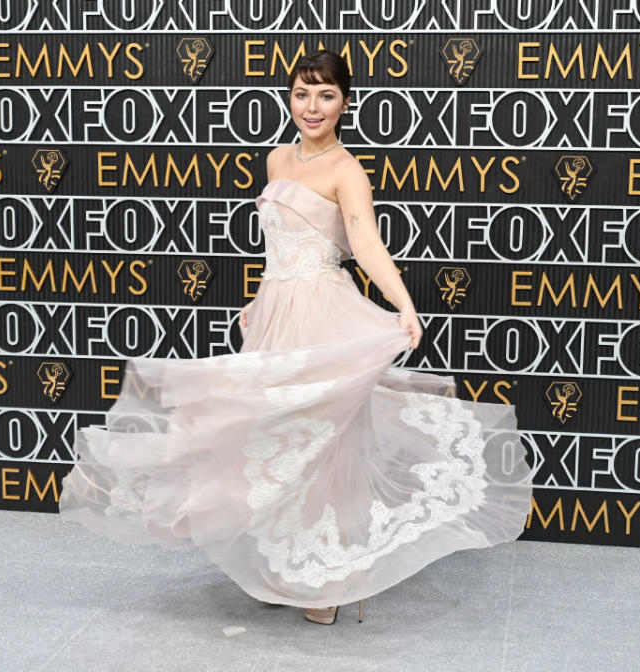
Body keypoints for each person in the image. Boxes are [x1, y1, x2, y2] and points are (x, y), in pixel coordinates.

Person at [59, 49, 533, 626]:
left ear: (345, 102)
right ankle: (281, 564)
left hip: (321, 310)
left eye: (326, 95)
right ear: (289, 96)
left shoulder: (346, 171)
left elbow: (365, 246)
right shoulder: (276, 159)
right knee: (267, 439)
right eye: (303, 93)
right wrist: (259, 302)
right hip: (277, 312)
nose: (313, 106)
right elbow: (275, 247)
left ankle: (327, 578)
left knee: (324, 441)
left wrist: (403, 304)